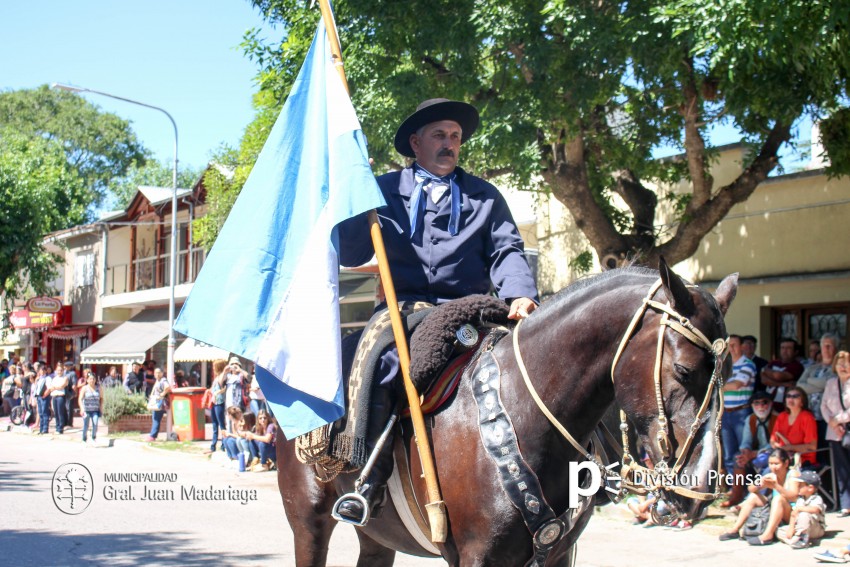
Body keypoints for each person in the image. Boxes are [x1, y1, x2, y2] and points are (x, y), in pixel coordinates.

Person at [334, 98, 539, 524]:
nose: (449, 144)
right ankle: (369, 479)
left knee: (532, 363)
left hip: (472, 309)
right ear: (416, 142)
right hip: (402, 307)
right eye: (439, 136)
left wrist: (520, 293)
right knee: (383, 361)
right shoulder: (383, 191)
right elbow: (353, 252)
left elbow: (507, 250)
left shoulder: (485, 196)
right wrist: (356, 194)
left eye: (455, 137)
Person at [718, 448, 800, 545]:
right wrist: (760, 484)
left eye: (776, 464)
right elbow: (751, 489)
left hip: (791, 513)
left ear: (786, 463)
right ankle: (735, 529)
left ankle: (767, 535)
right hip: (775, 510)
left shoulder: (793, 474)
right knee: (753, 496)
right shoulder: (771, 475)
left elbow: (794, 496)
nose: (773, 467)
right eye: (771, 464)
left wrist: (776, 486)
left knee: (778, 499)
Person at [723, 390, 778, 508]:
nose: (761, 406)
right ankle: (736, 495)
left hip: (772, 453)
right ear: (752, 405)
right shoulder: (750, 419)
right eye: (756, 403)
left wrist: (754, 453)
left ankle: (752, 499)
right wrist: (745, 452)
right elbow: (746, 441)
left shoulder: (777, 418)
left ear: (771, 404)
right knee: (738, 458)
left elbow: (775, 444)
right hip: (754, 453)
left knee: (767, 462)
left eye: (764, 403)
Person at [722, 335, 757, 477]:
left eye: (735, 344)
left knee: (744, 451)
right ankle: (733, 487)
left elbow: (736, 385)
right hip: (725, 412)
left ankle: (745, 486)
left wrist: (716, 386)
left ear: (742, 346)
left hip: (742, 412)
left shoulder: (748, 364)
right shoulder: (724, 365)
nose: (731, 348)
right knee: (729, 452)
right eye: (729, 345)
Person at [820, 350, 850, 516]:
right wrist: (832, 422)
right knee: (841, 470)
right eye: (840, 363)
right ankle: (846, 504)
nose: (843, 366)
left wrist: (838, 419)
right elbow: (824, 405)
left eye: (846, 363)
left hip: (846, 427)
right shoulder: (831, 382)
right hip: (834, 432)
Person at [799, 333, 840, 443]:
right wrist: (822, 386)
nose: (826, 349)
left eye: (829, 346)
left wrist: (809, 381)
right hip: (809, 416)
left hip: (829, 418)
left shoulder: (839, 369)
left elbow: (830, 385)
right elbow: (799, 387)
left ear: (836, 348)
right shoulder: (811, 368)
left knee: (827, 451)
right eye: (824, 346)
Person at [771, 386, 818, 469]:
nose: (790, 399)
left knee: (771, 471)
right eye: (788, 396)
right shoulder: (782, 416)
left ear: (802, 402)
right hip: (781, 456)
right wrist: (777, 446)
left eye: (795, 396)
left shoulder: (807, 417)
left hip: (801, 459)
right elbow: (773, 440)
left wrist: (790, 448)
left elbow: (812, 446)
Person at [779, 470, 826, 549]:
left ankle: (801, 539)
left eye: (800, 485)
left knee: (804, 514)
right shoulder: (800, 500)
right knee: (780, 531)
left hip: (815, 528)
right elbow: (793, 514)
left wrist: (800, 509)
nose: (798, 487)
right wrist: (791, 528)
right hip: (801, 528)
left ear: (810, 488)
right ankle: (796, 540)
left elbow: (816, 509)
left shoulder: (816, 498)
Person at [762, 338, 805, 412]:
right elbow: (764, 380)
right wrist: (783, 384)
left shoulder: (797, 366)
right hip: (768, 404)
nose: (784, 351)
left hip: (785, 406)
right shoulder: (773, 363)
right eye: (782, 348)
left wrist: (764, 370)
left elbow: (779, 376)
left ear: (795, 352)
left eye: (788, 348)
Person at [206, 359, 228, 454]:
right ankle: (213, 446)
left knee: (222, 425)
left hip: (220, 402)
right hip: (214, 402)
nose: (213, 368)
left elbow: (223, 388)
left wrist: (215, 393)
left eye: (215, 366)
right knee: (215, 425)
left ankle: (223, 445)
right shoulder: (216, 377)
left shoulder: (223, 376)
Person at [144, 368, 170, 442]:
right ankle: (153, 435)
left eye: (159, 373)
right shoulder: (157, 381)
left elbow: (167, 387)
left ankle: (152, 436)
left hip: (160, 403)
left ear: (162, 373)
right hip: (156, 402)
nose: (157, 374)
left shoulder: (163, 380)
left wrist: (162, 394)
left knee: (156, 418)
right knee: (155, 418)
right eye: (156, 373)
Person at [78, 370, 103, 444]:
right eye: (90, 379)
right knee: (86, 425)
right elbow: (80, 399)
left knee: (95, 423)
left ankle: (93, 437)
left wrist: (101, 407)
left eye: (93, 379)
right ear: (87, 380)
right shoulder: (85, 388)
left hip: (95, 410)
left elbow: (101, 398)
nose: (92, 380)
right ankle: (84, 439)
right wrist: (82, 408)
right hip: (86, 410)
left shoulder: (99, 388)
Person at [47, 362, 69, 434]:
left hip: (60, 396)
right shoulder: (54, 378)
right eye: (58, 370)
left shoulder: (65, 378)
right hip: (54, 396)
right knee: (56, 413)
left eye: (61, 370)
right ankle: (57, 427)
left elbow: (61, 386)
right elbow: (50, 388)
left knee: (60, 413)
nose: (59, 372)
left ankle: (60, 428)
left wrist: (55, 387)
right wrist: (55, 388)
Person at [32, 364, 51, 435]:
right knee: (40, 413)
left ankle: (45, 429)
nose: (42, 372)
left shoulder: (47, 378)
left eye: (44, 370)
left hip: (44, 397)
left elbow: (49, 388)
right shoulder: (39, 378)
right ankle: (41, 428)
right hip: (38, 397)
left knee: (44, 412)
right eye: (41, 370)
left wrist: (45, 395)